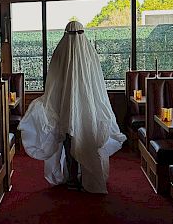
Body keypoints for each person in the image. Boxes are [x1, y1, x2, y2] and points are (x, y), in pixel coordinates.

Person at [18, 21, 126, 193]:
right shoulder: (88, 53)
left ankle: (73, 177)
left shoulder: (61, 52)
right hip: (82, 109)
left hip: (70, 107)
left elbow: (53, 82)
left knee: (73, 141)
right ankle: (79, 176)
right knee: (79, 140)